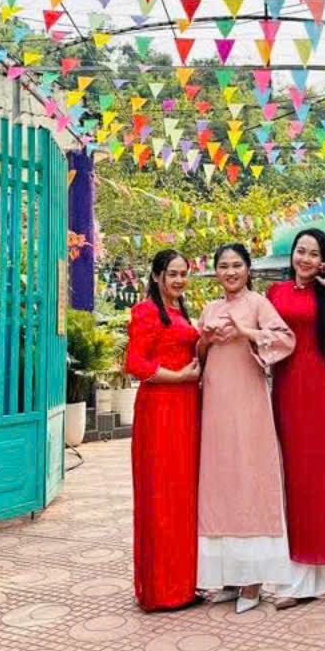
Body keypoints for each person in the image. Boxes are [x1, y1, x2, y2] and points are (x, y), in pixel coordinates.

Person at [265, 228, 325, 604]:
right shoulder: (275, 293)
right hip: (284, 388)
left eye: (313, 253)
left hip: (321, 388)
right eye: (300, 251)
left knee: (321, 477)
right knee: (291, 478)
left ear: (324, 260)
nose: (304, 259)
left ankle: (321, 578)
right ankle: (293, 574)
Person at [196, 243, 296, 613]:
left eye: (237, 265)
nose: (230, 272)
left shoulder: (258, 304)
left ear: (248, 269)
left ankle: (253, 581)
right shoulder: (209, 308)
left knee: (250, 479)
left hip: (249, 404)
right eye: (223, 266)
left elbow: (286, 340)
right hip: (215, 406)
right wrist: (206, 339)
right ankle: (227, 578)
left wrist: (246, 332)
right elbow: (198, 355)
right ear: (216, 272)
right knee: (218, 483)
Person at [125, 249, 201, 612]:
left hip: (187, 409)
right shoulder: (146, 311)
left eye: (183, 273)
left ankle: (185, 583)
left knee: (184, 494)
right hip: (160, 411)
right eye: (172, 273)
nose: (179, 280)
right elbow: (134, 362)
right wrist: (178, 376)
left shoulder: (180, 311)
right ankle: (163, 590)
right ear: (156, 276)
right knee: (163, 494)